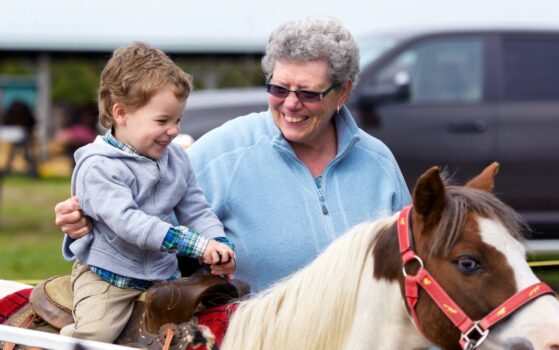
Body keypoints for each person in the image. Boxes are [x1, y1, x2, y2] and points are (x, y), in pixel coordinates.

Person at [55, 17, 410, 294]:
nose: (290, 104)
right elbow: (135, 219)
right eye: (278, 88)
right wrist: (83, 226)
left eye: (308, 94)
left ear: (343, 91)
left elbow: (416, 270)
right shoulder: (223, 151)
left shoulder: (378, 163)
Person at [58, 42, 235, 342]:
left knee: (210, 328)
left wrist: (217, 244)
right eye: (162, 121)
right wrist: (194, 244)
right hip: (109, 278)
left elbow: (196, 209)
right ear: (121, 113)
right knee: (96, 335)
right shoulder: (98, 168)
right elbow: (130, 223)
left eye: (177, 119)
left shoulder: (176, 158)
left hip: (162, 277)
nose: (174, 130)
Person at [1, 100, 38, 177]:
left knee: (11, 155)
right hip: (20, 135)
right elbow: (31, 125)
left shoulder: (8, 116)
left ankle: (6, 170)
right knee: (27, 155)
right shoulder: (23, 121)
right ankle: (33, 172)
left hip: (7, 134)